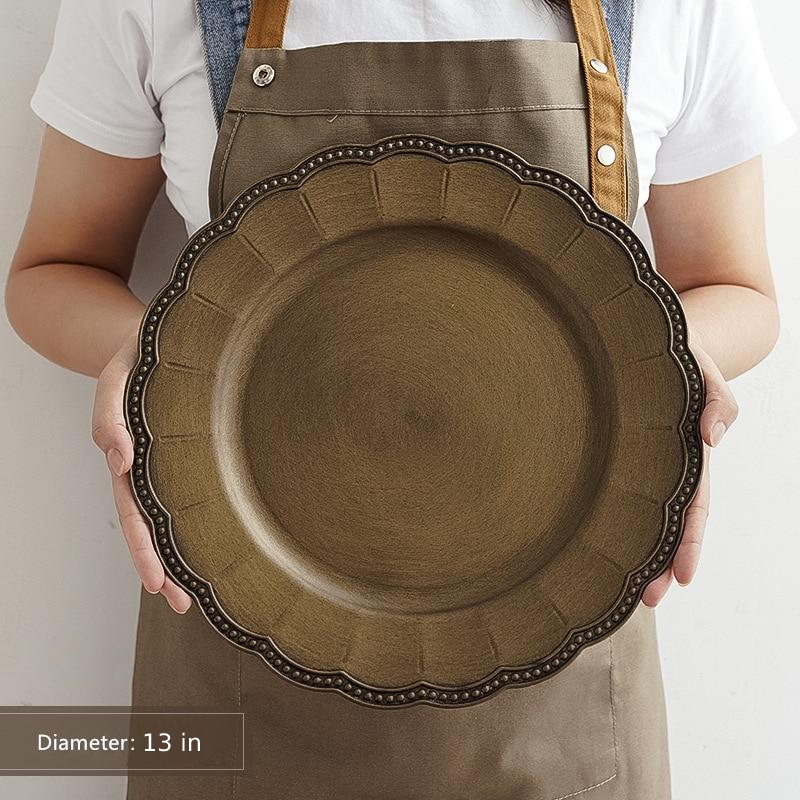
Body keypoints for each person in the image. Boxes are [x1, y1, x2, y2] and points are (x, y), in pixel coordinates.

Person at [4, 0, 795, 798]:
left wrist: (662, 353)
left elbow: (735, 287)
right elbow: (54, 269)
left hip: (567, 700)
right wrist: (151, 356)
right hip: (234, 657)